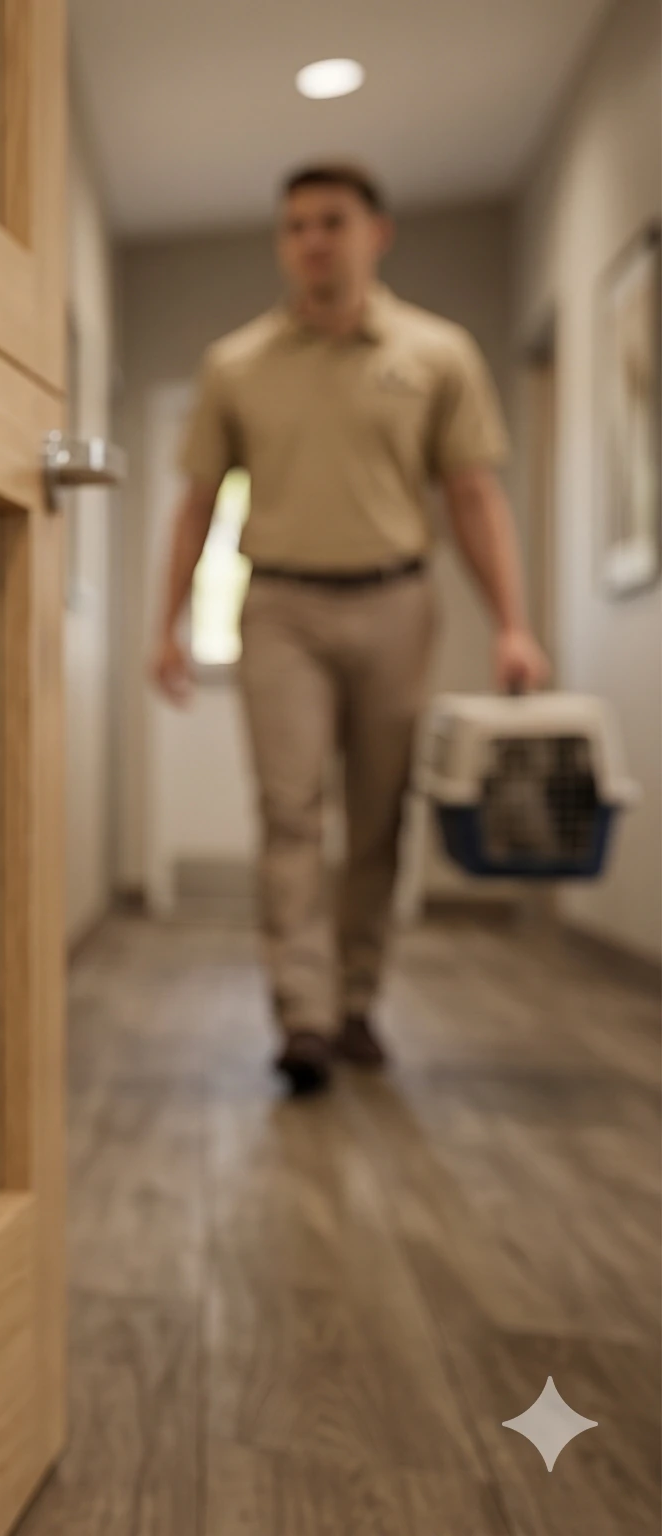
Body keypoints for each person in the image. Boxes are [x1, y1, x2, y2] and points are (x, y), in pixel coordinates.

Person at [149, 161, 550, 1096]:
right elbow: (196, 502)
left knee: (378, 815)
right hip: (280, 607)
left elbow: (473, 496)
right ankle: (305, 1016)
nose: (313, 241)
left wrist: (514, 625)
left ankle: (359, 1000)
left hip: (397, 603)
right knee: (290, 814)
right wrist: (168, 625)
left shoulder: (437, 354)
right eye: (295, 226)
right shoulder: (235, 365)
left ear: (378, 233)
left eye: (332, 222)